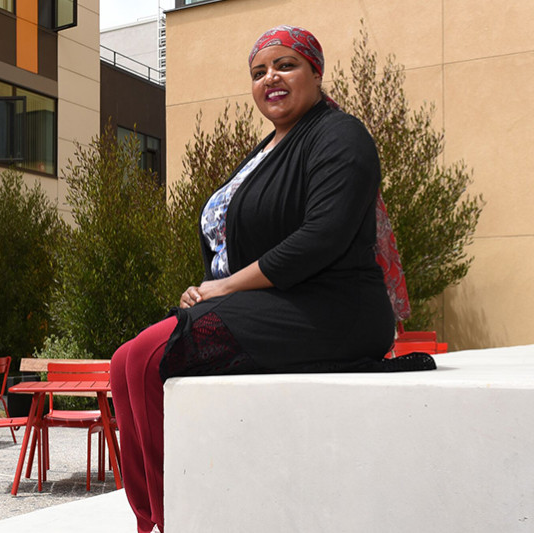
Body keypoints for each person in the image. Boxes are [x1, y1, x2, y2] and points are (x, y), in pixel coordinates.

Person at [109, 25, 409, 533]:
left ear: (315, 71)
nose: (270, 77)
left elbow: (323, 235)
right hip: (271, 303)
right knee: (121, 364)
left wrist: (223, 288)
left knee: (146, 359)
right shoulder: (265, 150)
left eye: (285, 65)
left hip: (330, 309)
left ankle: (170, 519)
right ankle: (148, 520)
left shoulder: (340, 134)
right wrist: (206, 285)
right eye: (258, 72)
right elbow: (238, 240)